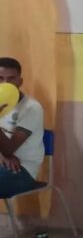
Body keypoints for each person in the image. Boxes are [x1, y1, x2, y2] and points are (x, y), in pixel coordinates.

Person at [0, 57, 44, 198]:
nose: (5, 83)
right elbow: (5, 153)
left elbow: (8, 149)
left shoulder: (31, 108)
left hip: (22, 170)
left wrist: (5, 154)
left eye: (11, 79)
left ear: (20, 82)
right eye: (0, 78)